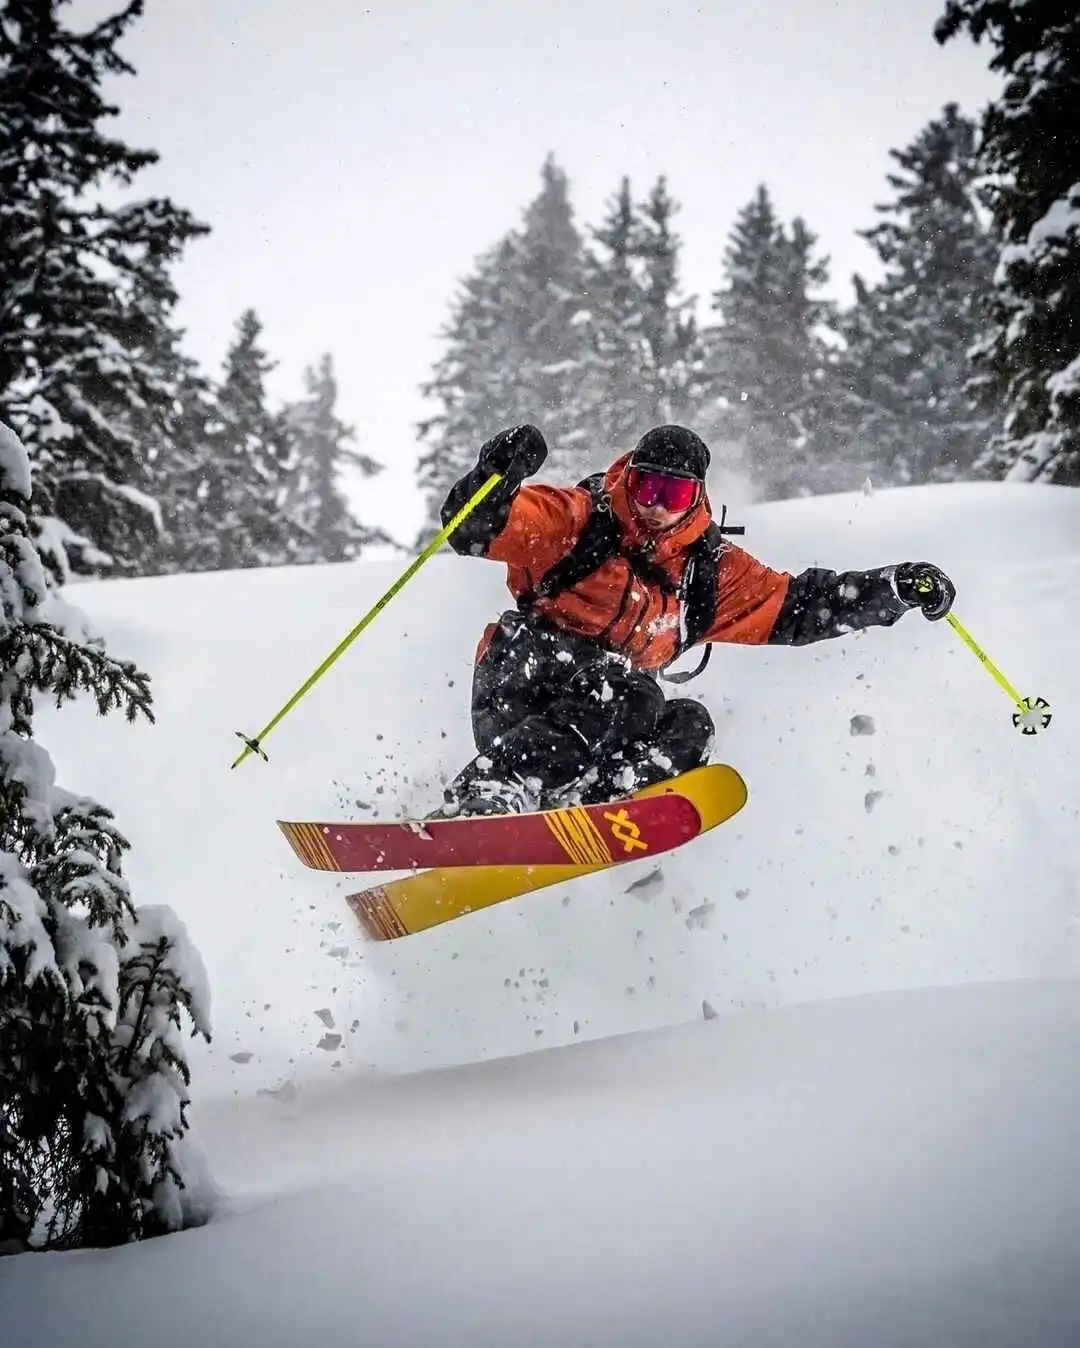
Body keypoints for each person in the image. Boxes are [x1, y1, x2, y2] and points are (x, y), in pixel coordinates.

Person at [436, 423, 955, 817]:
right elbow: (474, 526)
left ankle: (590, 805)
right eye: (647, 488)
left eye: (675, 494)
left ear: (697, 499)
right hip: (523, 684)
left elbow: (800, 608)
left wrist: (892, 589)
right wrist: (495, 477)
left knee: (689, 726)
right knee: (631, 691)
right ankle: (489, 789)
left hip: (601, 718)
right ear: (628, 478)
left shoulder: (708, 574)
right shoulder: (578, 521)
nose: (657, 506)